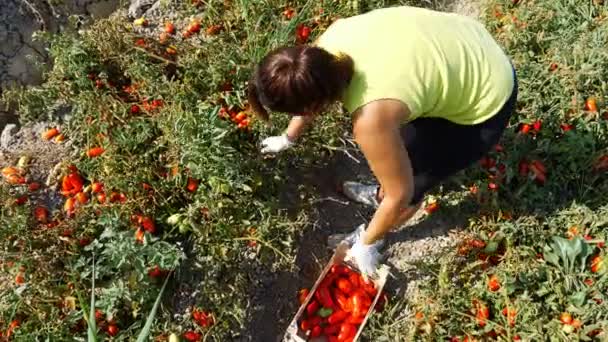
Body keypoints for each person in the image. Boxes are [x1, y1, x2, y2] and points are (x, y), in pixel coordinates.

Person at [247, 5, 518, 277]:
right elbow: (306, 86)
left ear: (313, 106)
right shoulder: (330, 42)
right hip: (466, 42)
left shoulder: (372, 117)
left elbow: (402, 193)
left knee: (410, 183)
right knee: (401, 155)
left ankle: (373, 233)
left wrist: (365, 245)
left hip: (488, 97)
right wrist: (288, 137)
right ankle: (380, 198)